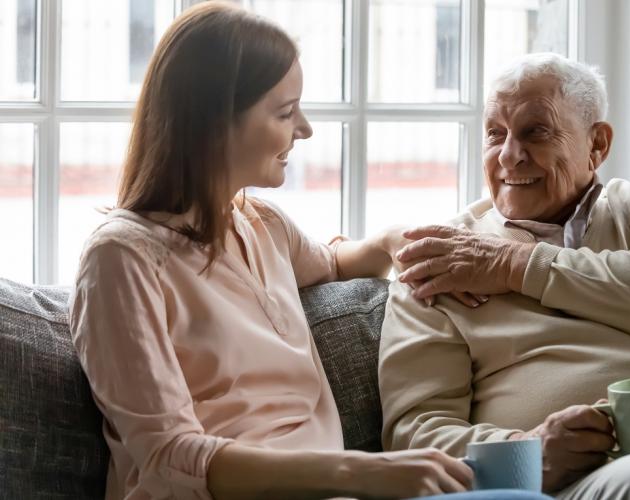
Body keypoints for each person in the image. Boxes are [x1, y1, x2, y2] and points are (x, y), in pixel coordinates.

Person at [68, 3, 551, 499]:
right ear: (213, 121)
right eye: (284, 112)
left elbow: (334, 262)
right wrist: (361, 472)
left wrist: (394, 240)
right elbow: (169, 457)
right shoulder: (120, 260)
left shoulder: (262, 226)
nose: (305, 128)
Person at [379, 52, 630, 500]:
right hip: (594, 479)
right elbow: (415, 434)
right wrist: (528, 450)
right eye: (495, 134)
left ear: (597, 145)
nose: (509, 156)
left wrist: (515, 266)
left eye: (535, 132)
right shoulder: (443, 260)